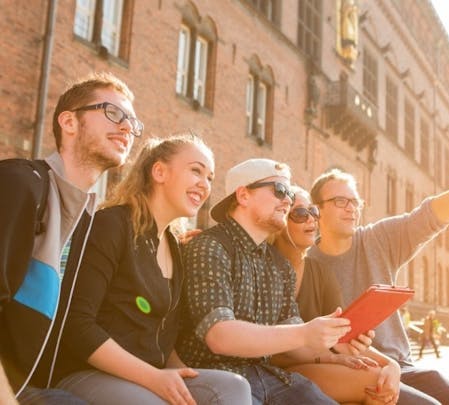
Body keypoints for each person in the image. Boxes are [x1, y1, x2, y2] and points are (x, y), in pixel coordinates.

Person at [308, 155, 449, 405]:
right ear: (317, 210)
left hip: (403, 368)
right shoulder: (306, 263)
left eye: (355, 201)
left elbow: (432, 214)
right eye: (340, 201)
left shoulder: (378, 240)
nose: (351, 208)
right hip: (352, 373)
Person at [55, 135, 251, 404]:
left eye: (210, 178)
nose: (204, 185)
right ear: (159, 172)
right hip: (88, 372)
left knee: (233, 387)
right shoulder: (111, 225)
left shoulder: (173, 245)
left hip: (151, 374)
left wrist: (181, 376)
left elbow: (161, 335)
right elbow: (77, 325)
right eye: (196, 170)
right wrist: (153, 377)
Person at [0, 72, 140, 404]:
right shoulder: (21, 183)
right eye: (113, 113)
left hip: (36, 383)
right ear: (70, 122)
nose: (127, 128)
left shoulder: (86, 219)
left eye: (132, 122)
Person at [177, 158, 352, 405]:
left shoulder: (280, 266)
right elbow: (219, 336)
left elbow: (293, 341)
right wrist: (304, 333)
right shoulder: (209, 247)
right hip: (214, 379)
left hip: (268, 377)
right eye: (279, 190)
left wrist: (333, 344)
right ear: (243, 196)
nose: (288, 200)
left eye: (290, 193)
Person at [272, 185, 401, 404]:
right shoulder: (264, 268)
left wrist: (391, 365)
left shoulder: (321, 272)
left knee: (380, 391)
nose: (311, 220)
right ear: (280, 220)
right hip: (276, 370)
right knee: (375, 382)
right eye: (300, 214)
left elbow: (343, 340)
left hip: (319, 364)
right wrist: (332, 357)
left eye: (313, 212)